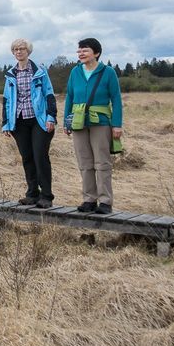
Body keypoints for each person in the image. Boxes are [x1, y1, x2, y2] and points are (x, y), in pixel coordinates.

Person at [63, 38, 123, 214]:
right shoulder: (75, 72)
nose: (81, 53)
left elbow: (116, 99)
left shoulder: (108, 72)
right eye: (79, 50)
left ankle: (105, 201)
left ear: (96, 53)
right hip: (78, 123)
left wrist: (117, 125)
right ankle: (89, 199)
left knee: (102, 162)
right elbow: (70, 97)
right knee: (84, 162)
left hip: (101, 122)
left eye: (85, 50)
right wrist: (67, 121)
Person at [1, 38, 57, 209]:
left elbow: (49, 95)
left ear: (28, 51)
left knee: (40, 156)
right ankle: (32, 193)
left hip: (39, 120)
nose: (19, 52)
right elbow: (6, 100)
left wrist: (51, 117)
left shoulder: (39, 71)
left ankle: (46, 195)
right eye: (16, 49)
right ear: (13, 52)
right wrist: (6, 123)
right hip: (19, 121)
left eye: (22, 49)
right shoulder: (11, 74)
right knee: (27, 157)